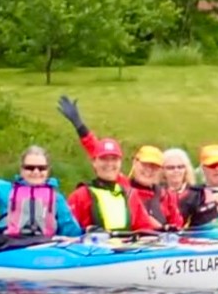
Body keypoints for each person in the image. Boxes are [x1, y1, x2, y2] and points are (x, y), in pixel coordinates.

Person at [51, 95, 165, 233]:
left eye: (154, 167)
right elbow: (68, 231)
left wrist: (165, 231)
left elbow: (146, 226)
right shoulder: (83, 195)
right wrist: (80, 127)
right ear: (135, 163)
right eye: (145, 165)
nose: (148, 171)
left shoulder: (131, 193)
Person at [66, 134, 164, 235]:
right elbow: (68, 232)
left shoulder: (130, 195)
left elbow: (145, 229)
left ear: (120, 162)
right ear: (94, 162)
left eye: (114, 159)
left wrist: (164, 230)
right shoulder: (80, 196)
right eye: (104, 159)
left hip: (127, 249)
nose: (109, 164)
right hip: (94, 249)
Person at [155, 148, 194, 230]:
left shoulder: (196, 194)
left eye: (180, 167)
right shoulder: (155, 194)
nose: (176, 171)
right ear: (162, 171)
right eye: (170, 168)